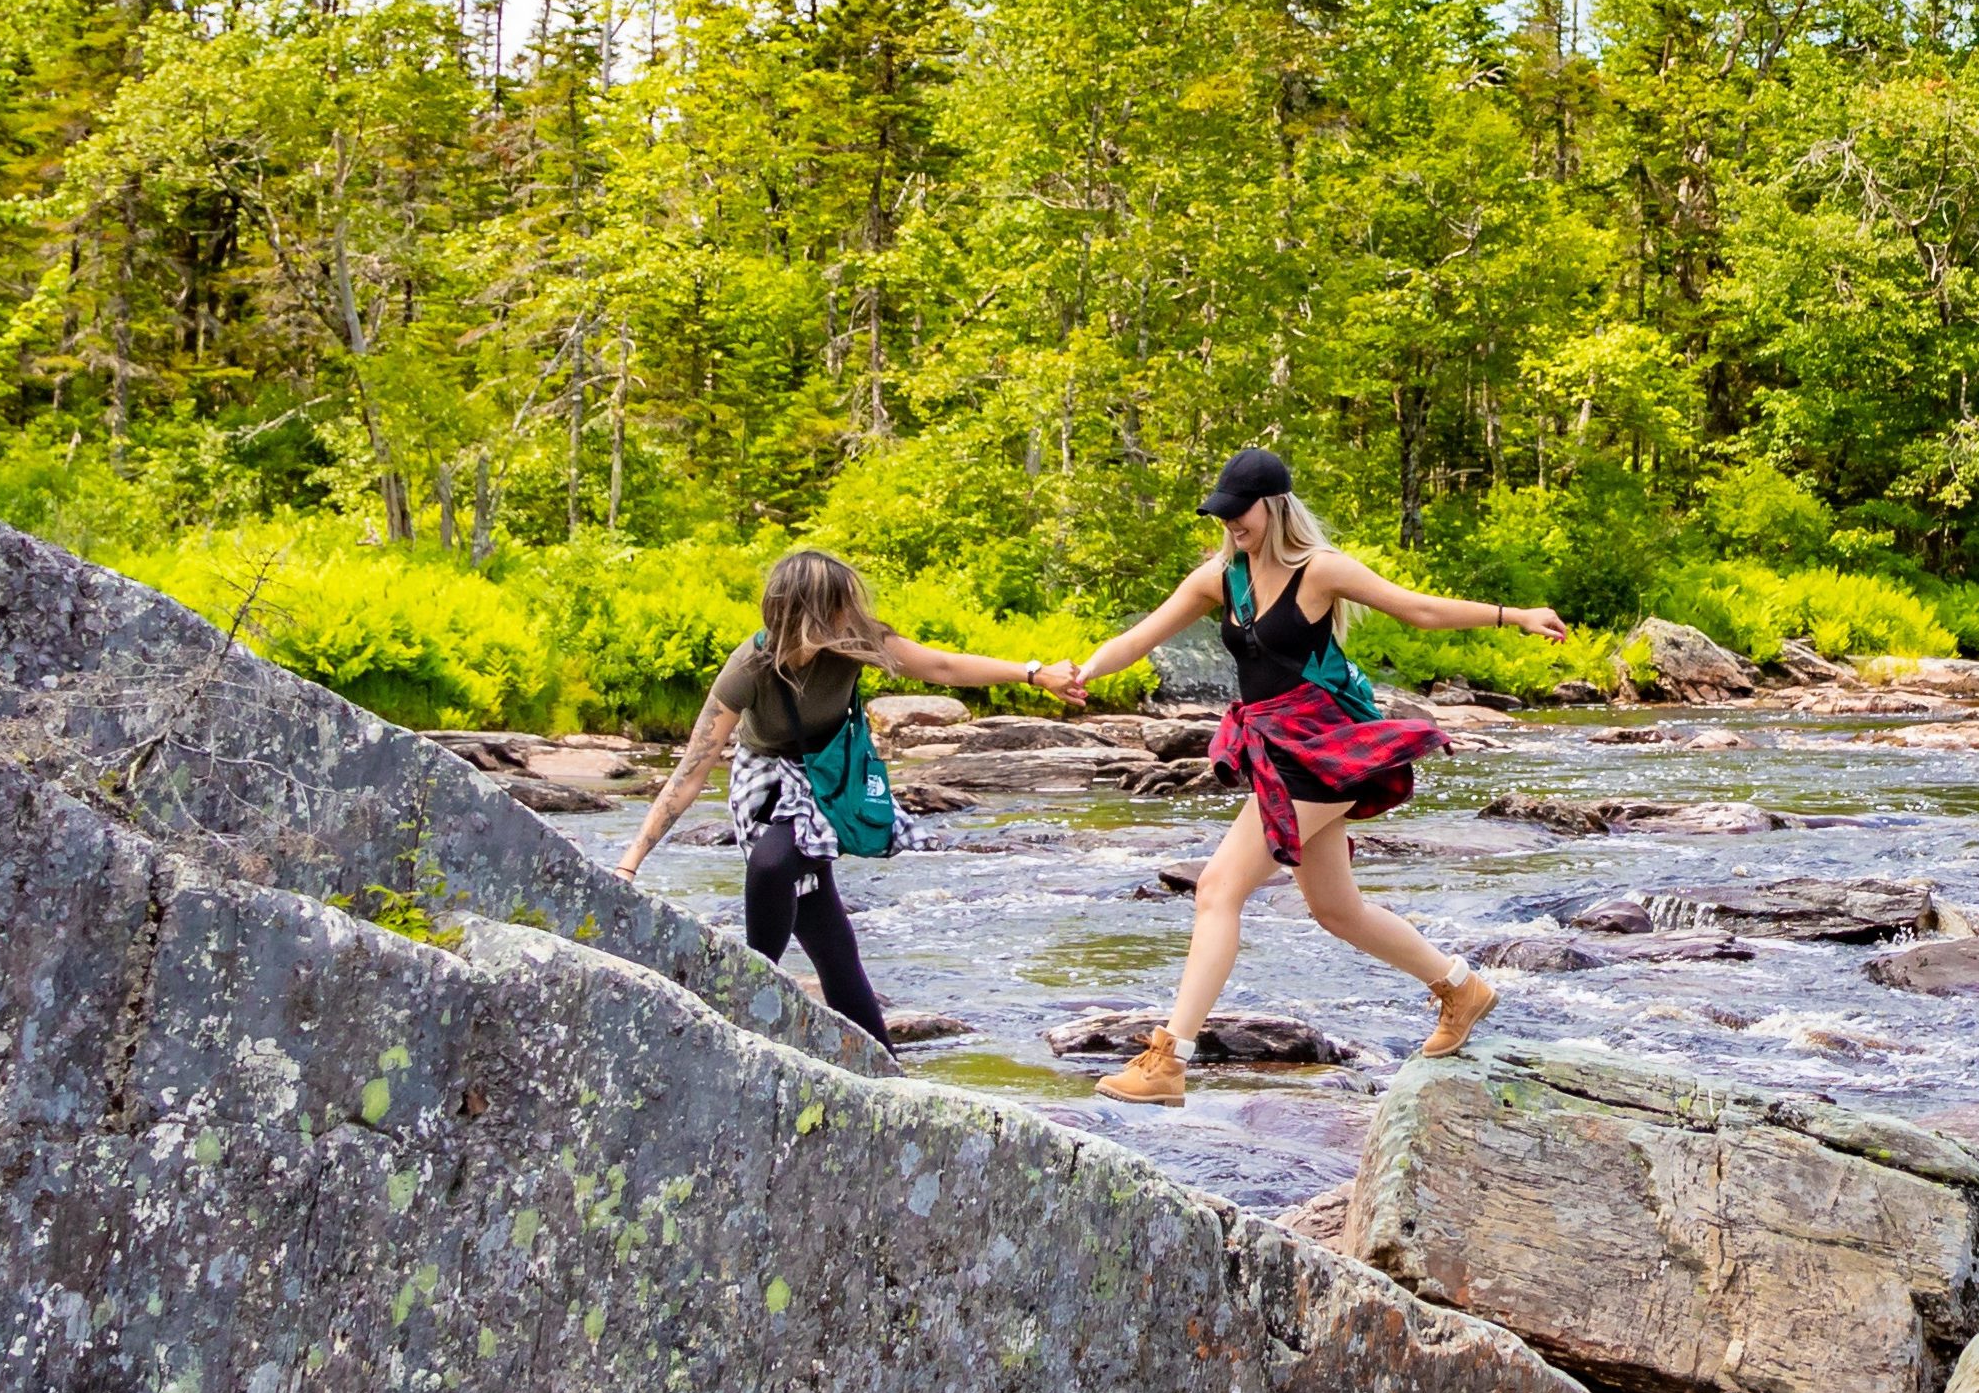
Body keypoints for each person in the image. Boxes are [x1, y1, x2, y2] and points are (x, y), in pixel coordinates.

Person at [1075, 445, 1568, 1104]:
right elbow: (1140, 637)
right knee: (1336, 909)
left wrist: (1515, 615)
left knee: (1218, 888)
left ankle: (1169, 1060)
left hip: (1325, 747)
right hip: (1274, 748)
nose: (1230, 526)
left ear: (1273, 507)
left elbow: (1417, 608)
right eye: (1221, 517)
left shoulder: (1320, 570)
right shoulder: (1221, 578)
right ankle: (1460, 987)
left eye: (1238, 514)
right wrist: (1079, 672)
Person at [614, 545, 1075, 1048]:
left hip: (828, 775)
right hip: (764, 779)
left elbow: (942, 667)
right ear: (809, 611)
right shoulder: (750, 665)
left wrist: (1034, 673)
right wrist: (629, 864)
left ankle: (761, 1013)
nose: (851, 614)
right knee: (822, 931)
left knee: (781, 874)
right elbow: (691, 769)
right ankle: (831, 1040)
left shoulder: (856, 642)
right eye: (839, 604)